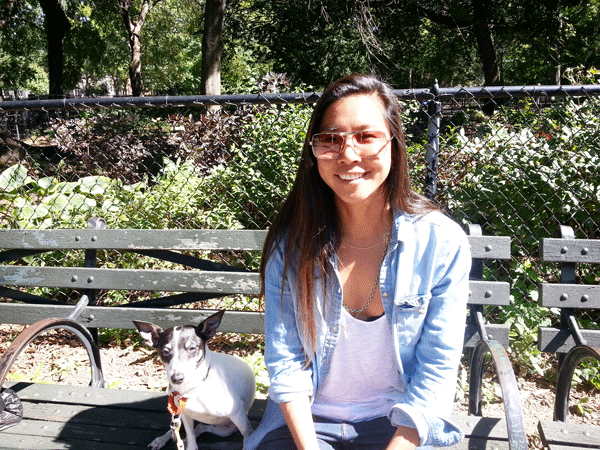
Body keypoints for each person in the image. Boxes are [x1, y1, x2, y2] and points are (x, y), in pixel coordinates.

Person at [244, 73, 471, 450]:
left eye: (365, 136)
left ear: (394, 144)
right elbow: (286, 363)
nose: (348, 155)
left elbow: (438, 370)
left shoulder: (441, 243)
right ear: (314, 153)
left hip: (400, 423)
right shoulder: (292, 247)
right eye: (330, 139)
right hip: (308, 424)